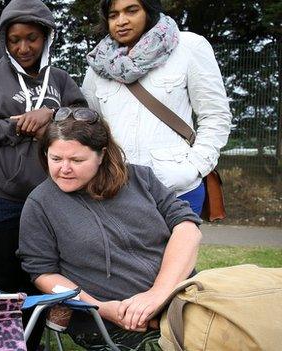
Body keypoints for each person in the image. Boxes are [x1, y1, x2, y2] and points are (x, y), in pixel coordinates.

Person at [17, 108, 202, 350]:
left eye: (77, 160)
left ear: (101, 155)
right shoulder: (39, 204)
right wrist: (101, 308)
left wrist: (157, 295)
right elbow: (43, 274)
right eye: (56, 159)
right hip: (108, 318)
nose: (64, 169)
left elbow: (188, 229)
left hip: (179, 297)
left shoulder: (139, 178)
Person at [0, 0, 86, 296]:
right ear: (5, 40)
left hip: (52, 197)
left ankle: (34, 338)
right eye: (14, 40)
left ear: (47, 37)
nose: (24, 47)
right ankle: (3, 339)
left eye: (32, 38)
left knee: (42, 277)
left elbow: (85, 119)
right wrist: (16, 126)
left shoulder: (60, 79)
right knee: (2, 279)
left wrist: (51, 115)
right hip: (0, 199)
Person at [81, 0, 232, 215]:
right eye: (113, 15)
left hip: (177, 190)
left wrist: (195, 167)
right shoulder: (99, 65)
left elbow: (215, 114)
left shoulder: (188, 47)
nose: (121, 21)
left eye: (131, 11)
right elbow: (93, 126)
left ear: (149, 11)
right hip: (117, 190)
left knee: (177, 250)